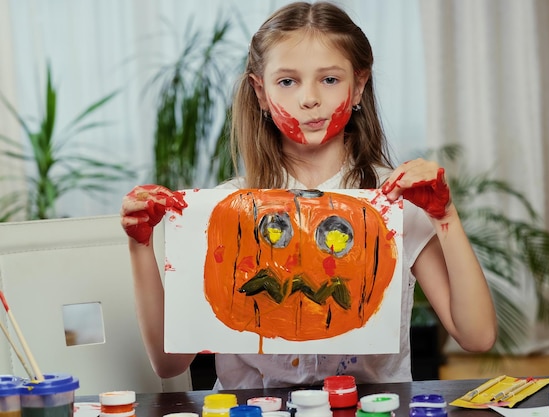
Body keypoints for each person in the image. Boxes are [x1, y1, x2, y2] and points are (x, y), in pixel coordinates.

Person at [120, 1, 497, 390]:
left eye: (329, 79)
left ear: (359, 85)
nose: (309, 99)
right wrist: (140, 246)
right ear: (260, 91)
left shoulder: (396, 201)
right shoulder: (221, 210)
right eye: (288, 81)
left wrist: (445, 216)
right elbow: (169, 364)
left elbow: (477, 336)